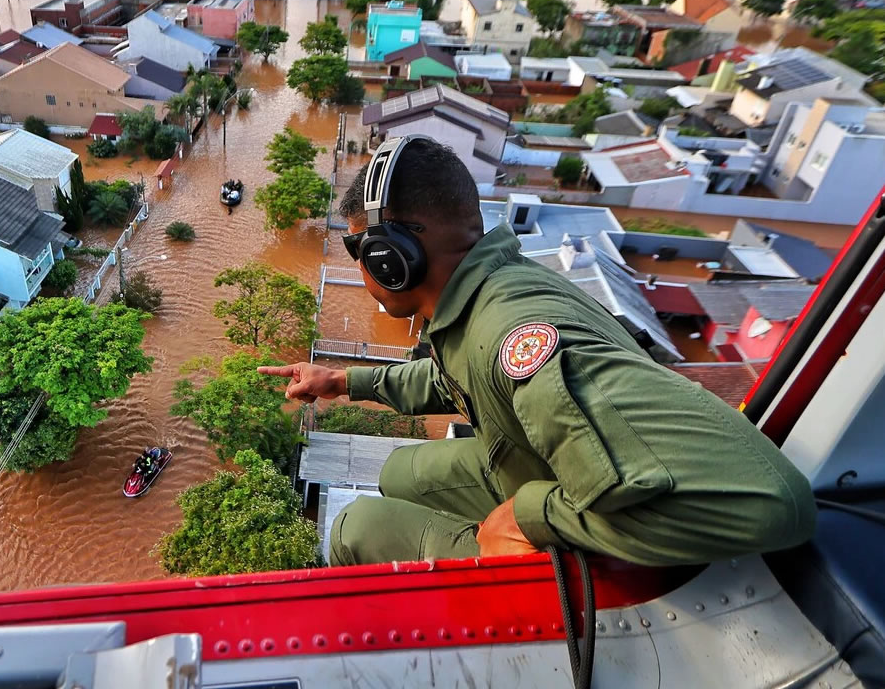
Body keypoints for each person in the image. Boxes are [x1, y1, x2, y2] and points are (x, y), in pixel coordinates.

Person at [259, 136, 816, 568]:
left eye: (360, 248)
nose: (361, 263)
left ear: (391, 255)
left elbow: (774, 503)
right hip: (538, 465)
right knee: (402, 470)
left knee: (354, 528)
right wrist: (342, 381)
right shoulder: (480, 295)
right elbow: (458, 375)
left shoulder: (514, 335)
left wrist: (530, 517)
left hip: (579, 506)